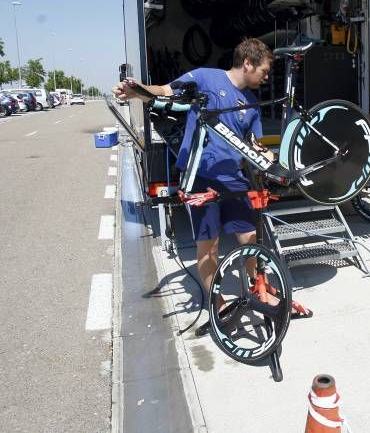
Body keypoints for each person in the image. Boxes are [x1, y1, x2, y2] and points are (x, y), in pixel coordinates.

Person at [112, 38, 276, 329]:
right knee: (209, 247)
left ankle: (256, 285)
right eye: (264, 70)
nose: (266, 76)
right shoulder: (204, 78)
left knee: (251, 239)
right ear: (248, 63)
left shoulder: (253, 103)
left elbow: (252, 144)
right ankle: (218, 302)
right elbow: (164, 92)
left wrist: (269, 155)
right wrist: (136, 91)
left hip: (234, 179)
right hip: (200, 176)